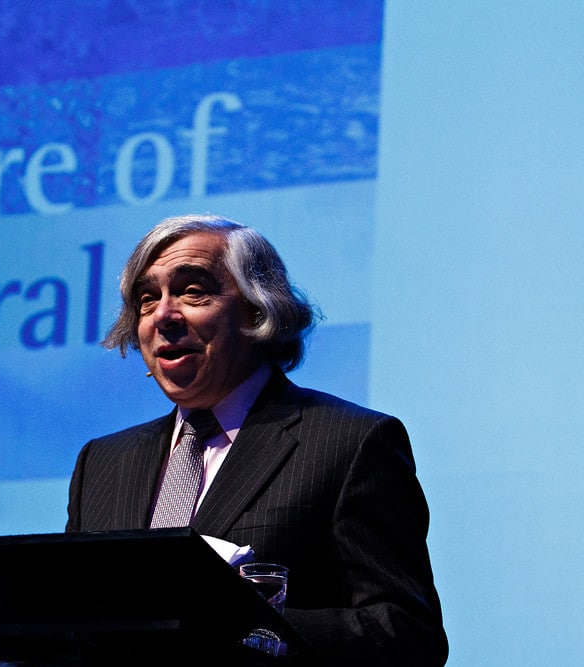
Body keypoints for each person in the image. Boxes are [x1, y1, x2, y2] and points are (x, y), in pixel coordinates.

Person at [66, 214, 448, 665]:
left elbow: (408, 635)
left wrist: (254, 625)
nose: (163, 315)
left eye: (192, 291)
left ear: (258, 309)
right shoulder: (103, 462)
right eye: (147, 300)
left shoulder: (350, 443)